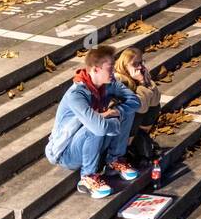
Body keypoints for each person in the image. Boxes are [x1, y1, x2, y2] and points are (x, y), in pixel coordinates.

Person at [44, 45, 141, 198]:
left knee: (124, 111)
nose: (113, 72)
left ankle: (115, 161)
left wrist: (118, 112)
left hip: (93, 142)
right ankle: (87, 177)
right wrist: (113, 118)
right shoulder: (76, 94)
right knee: (95, 126)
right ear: (96, 69)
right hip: (66, 152)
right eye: (110, 68)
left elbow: (136, 102)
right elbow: (98, 127)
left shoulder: (109, 83)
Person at [113, 48, 162, 164]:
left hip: (133, 124)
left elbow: (155, 101)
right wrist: (142, 84)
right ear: (124, 65)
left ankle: (139, 140)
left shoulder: (140, 76)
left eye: (141, 62)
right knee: (138, 112)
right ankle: (127, 146)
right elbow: (139, 107)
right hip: (119, 125)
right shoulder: (119, 79)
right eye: (135, 64)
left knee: (155, 107)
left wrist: (145, 82)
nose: (139, 67)